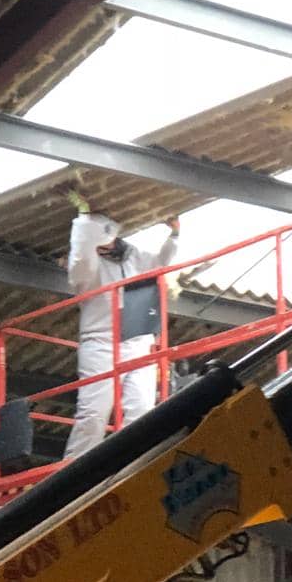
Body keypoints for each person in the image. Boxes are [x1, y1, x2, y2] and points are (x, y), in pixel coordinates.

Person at [63, 196, 180, 460]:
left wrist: (173, 235)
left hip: (137, 341)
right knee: (94, 412)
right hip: (100, 343)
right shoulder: (86, 267)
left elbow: (161, 263)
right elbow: (82, 251)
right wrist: (83, 215)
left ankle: (130, 461)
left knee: (142, 408)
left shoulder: (132, 256)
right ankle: (74, 467)